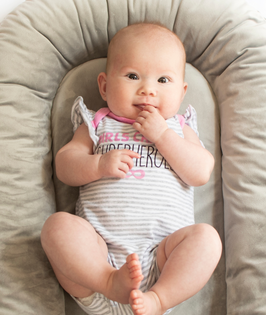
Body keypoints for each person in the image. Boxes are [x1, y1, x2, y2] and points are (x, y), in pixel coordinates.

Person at [41, 23, 222, 315]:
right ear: (104, 85)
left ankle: (158, 301)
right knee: (56, 228)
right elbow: (65, 165)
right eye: (133, 76)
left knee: (208, 241)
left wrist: (163, 136)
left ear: (182, 92)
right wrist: (98, 164)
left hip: (163, 261)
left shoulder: (178, 128)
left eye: (164, 80)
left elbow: (201, 171)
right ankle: (110, 280)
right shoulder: (98, 124)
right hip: (97, 259)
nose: (148, 89)